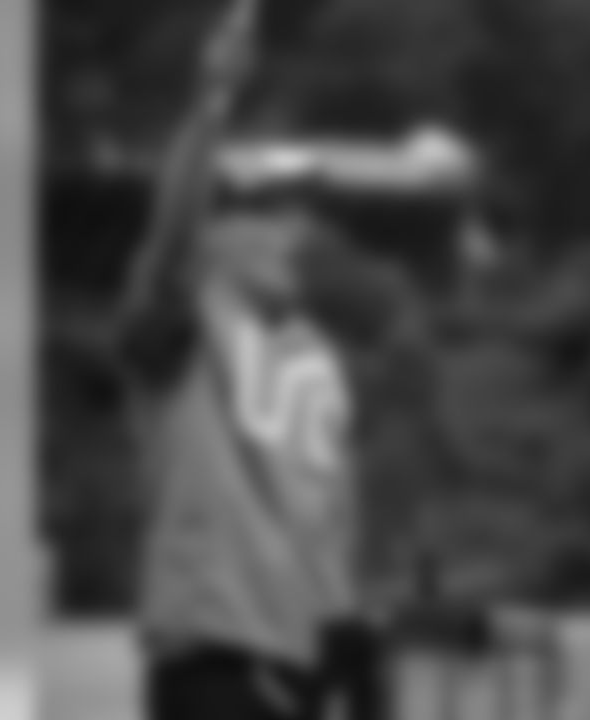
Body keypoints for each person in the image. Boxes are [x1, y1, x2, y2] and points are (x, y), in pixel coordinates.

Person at [118, 116, 482, 720]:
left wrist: (350, 632)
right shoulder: (184, 317)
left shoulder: (316, 351)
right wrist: (210, 108)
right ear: (218, 224)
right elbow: (166, 244)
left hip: (302, 665)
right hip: (214, 653)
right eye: (269, 210)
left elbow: (327, 511)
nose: (291, 230)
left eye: (298, 211)